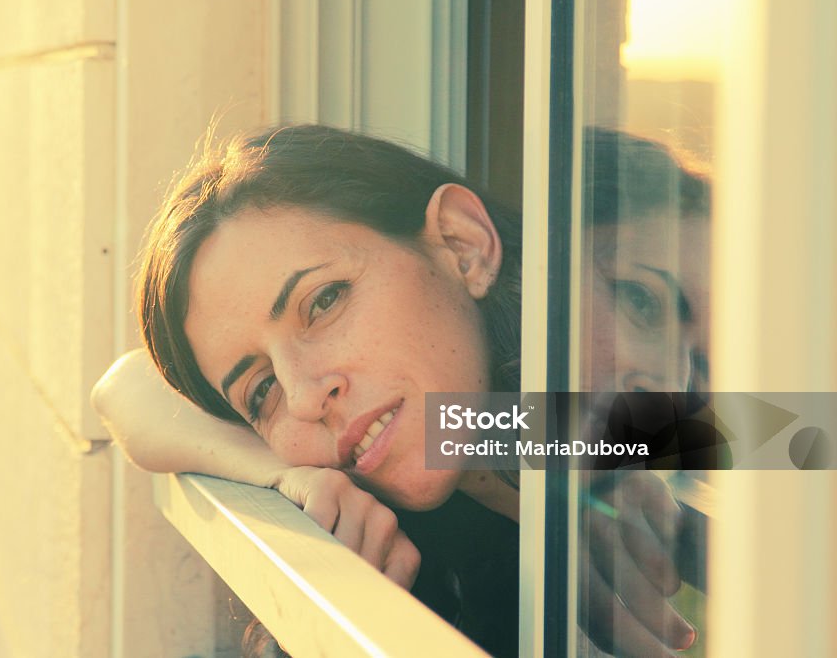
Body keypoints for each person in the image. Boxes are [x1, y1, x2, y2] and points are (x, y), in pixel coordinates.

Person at [92, 124, 704, 656]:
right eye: (260, 391)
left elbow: (790, 434)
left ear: (462, 246)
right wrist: (286, 474)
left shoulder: (528, 431)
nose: (305, 398)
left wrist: (604, 470)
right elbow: (125, 388)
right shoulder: (431, 471)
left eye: (323, 302)